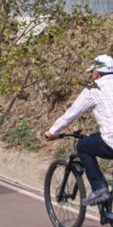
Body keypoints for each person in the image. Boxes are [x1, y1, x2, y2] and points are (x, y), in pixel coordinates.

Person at [45, 54, 113, 206]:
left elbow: (72, 114)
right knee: (96, 138)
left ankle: (99, 188)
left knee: (83, 146)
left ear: (96, 73)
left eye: (92, 73)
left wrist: (52, 132)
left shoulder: (94, 88)